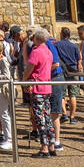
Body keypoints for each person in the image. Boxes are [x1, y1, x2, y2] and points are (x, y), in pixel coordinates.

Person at [26, 27, 56, 157]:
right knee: (47, 116)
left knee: (40, 118)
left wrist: (24, 79)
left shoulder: (36, 51)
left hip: (37, 87)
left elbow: (29, 68)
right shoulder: (48, 52)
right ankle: (51, 145)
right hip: (46, 86)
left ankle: (44, 147)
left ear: (38, 39)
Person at [56, 27, 81, 124]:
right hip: (73, 71)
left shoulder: (57, 45)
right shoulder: (74, 46)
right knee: (73, 95)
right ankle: (72, 116)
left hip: (62, 71)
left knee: (62, 94)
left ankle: (64, 114)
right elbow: (79, 60)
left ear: (61, 34)